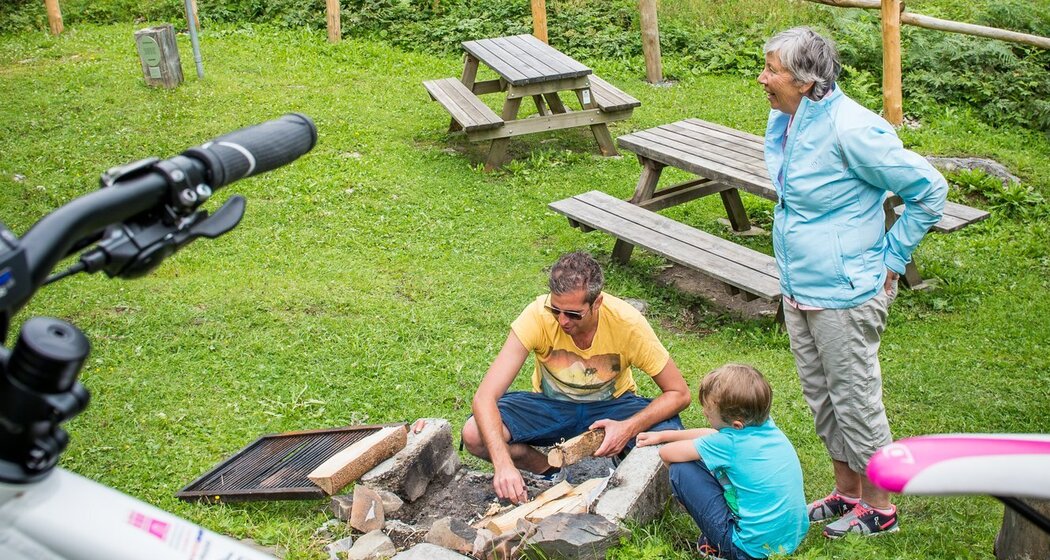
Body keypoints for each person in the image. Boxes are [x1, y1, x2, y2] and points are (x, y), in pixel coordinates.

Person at [757, 27, 948, 538]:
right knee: (822, 398)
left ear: (805, 80)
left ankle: (881, 509)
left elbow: (930, 191)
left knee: (855, 399)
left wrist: (893, 255)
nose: (763, 78)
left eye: (772, 70)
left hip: (845, 293)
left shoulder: (853, 129)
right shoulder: (788, 118)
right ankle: (847, 492)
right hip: (800, 286)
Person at [461, 252, 691, 504]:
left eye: (573, 314)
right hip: (551, 406)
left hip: (613, 407)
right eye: (556, 310)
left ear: (597, 302)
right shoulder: (536, 315)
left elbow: (679, 393)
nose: (562, 321)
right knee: (474, 434)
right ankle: (550, 471)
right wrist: (503, 465)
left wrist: (627, 428)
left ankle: (622, 469)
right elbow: (485, 397)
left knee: (668, 438)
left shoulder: (627, 323)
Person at [638, 364, 808, 560]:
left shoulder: (730, 444)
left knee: (681, 469)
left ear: (736, 425)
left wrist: (684, 495)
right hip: (788, 541)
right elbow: (714, 435)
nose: (704, 414)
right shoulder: (767, 429)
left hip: (747, 551)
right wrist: (664, 435)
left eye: (708, 414)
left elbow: (667, 454)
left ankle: (720, 546)